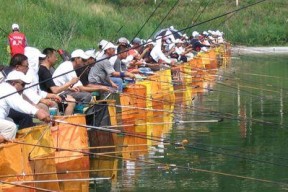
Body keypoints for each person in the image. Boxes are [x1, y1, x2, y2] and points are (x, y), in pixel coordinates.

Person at [0, 71, 50, 143]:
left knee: (9, 120)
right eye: (22, 84)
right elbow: (18, 104)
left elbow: (23, 102)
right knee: (11, 127)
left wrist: (38, 110)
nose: (24, 88)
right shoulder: (7, 88)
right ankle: (6, 151)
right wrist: (36, 112)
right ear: (13, 83)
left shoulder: (5, 88)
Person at [38, 48, 77, 115]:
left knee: (69, 97)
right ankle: (64, 123)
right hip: (47, 97)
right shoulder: (44, 71)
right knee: (72, 101)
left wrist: (67, 88)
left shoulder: (44, 70)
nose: (56, 59)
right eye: (55, 57)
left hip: (49, 95)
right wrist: (70, 82)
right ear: (48, 57)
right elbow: (55, 90)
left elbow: (51, 87)